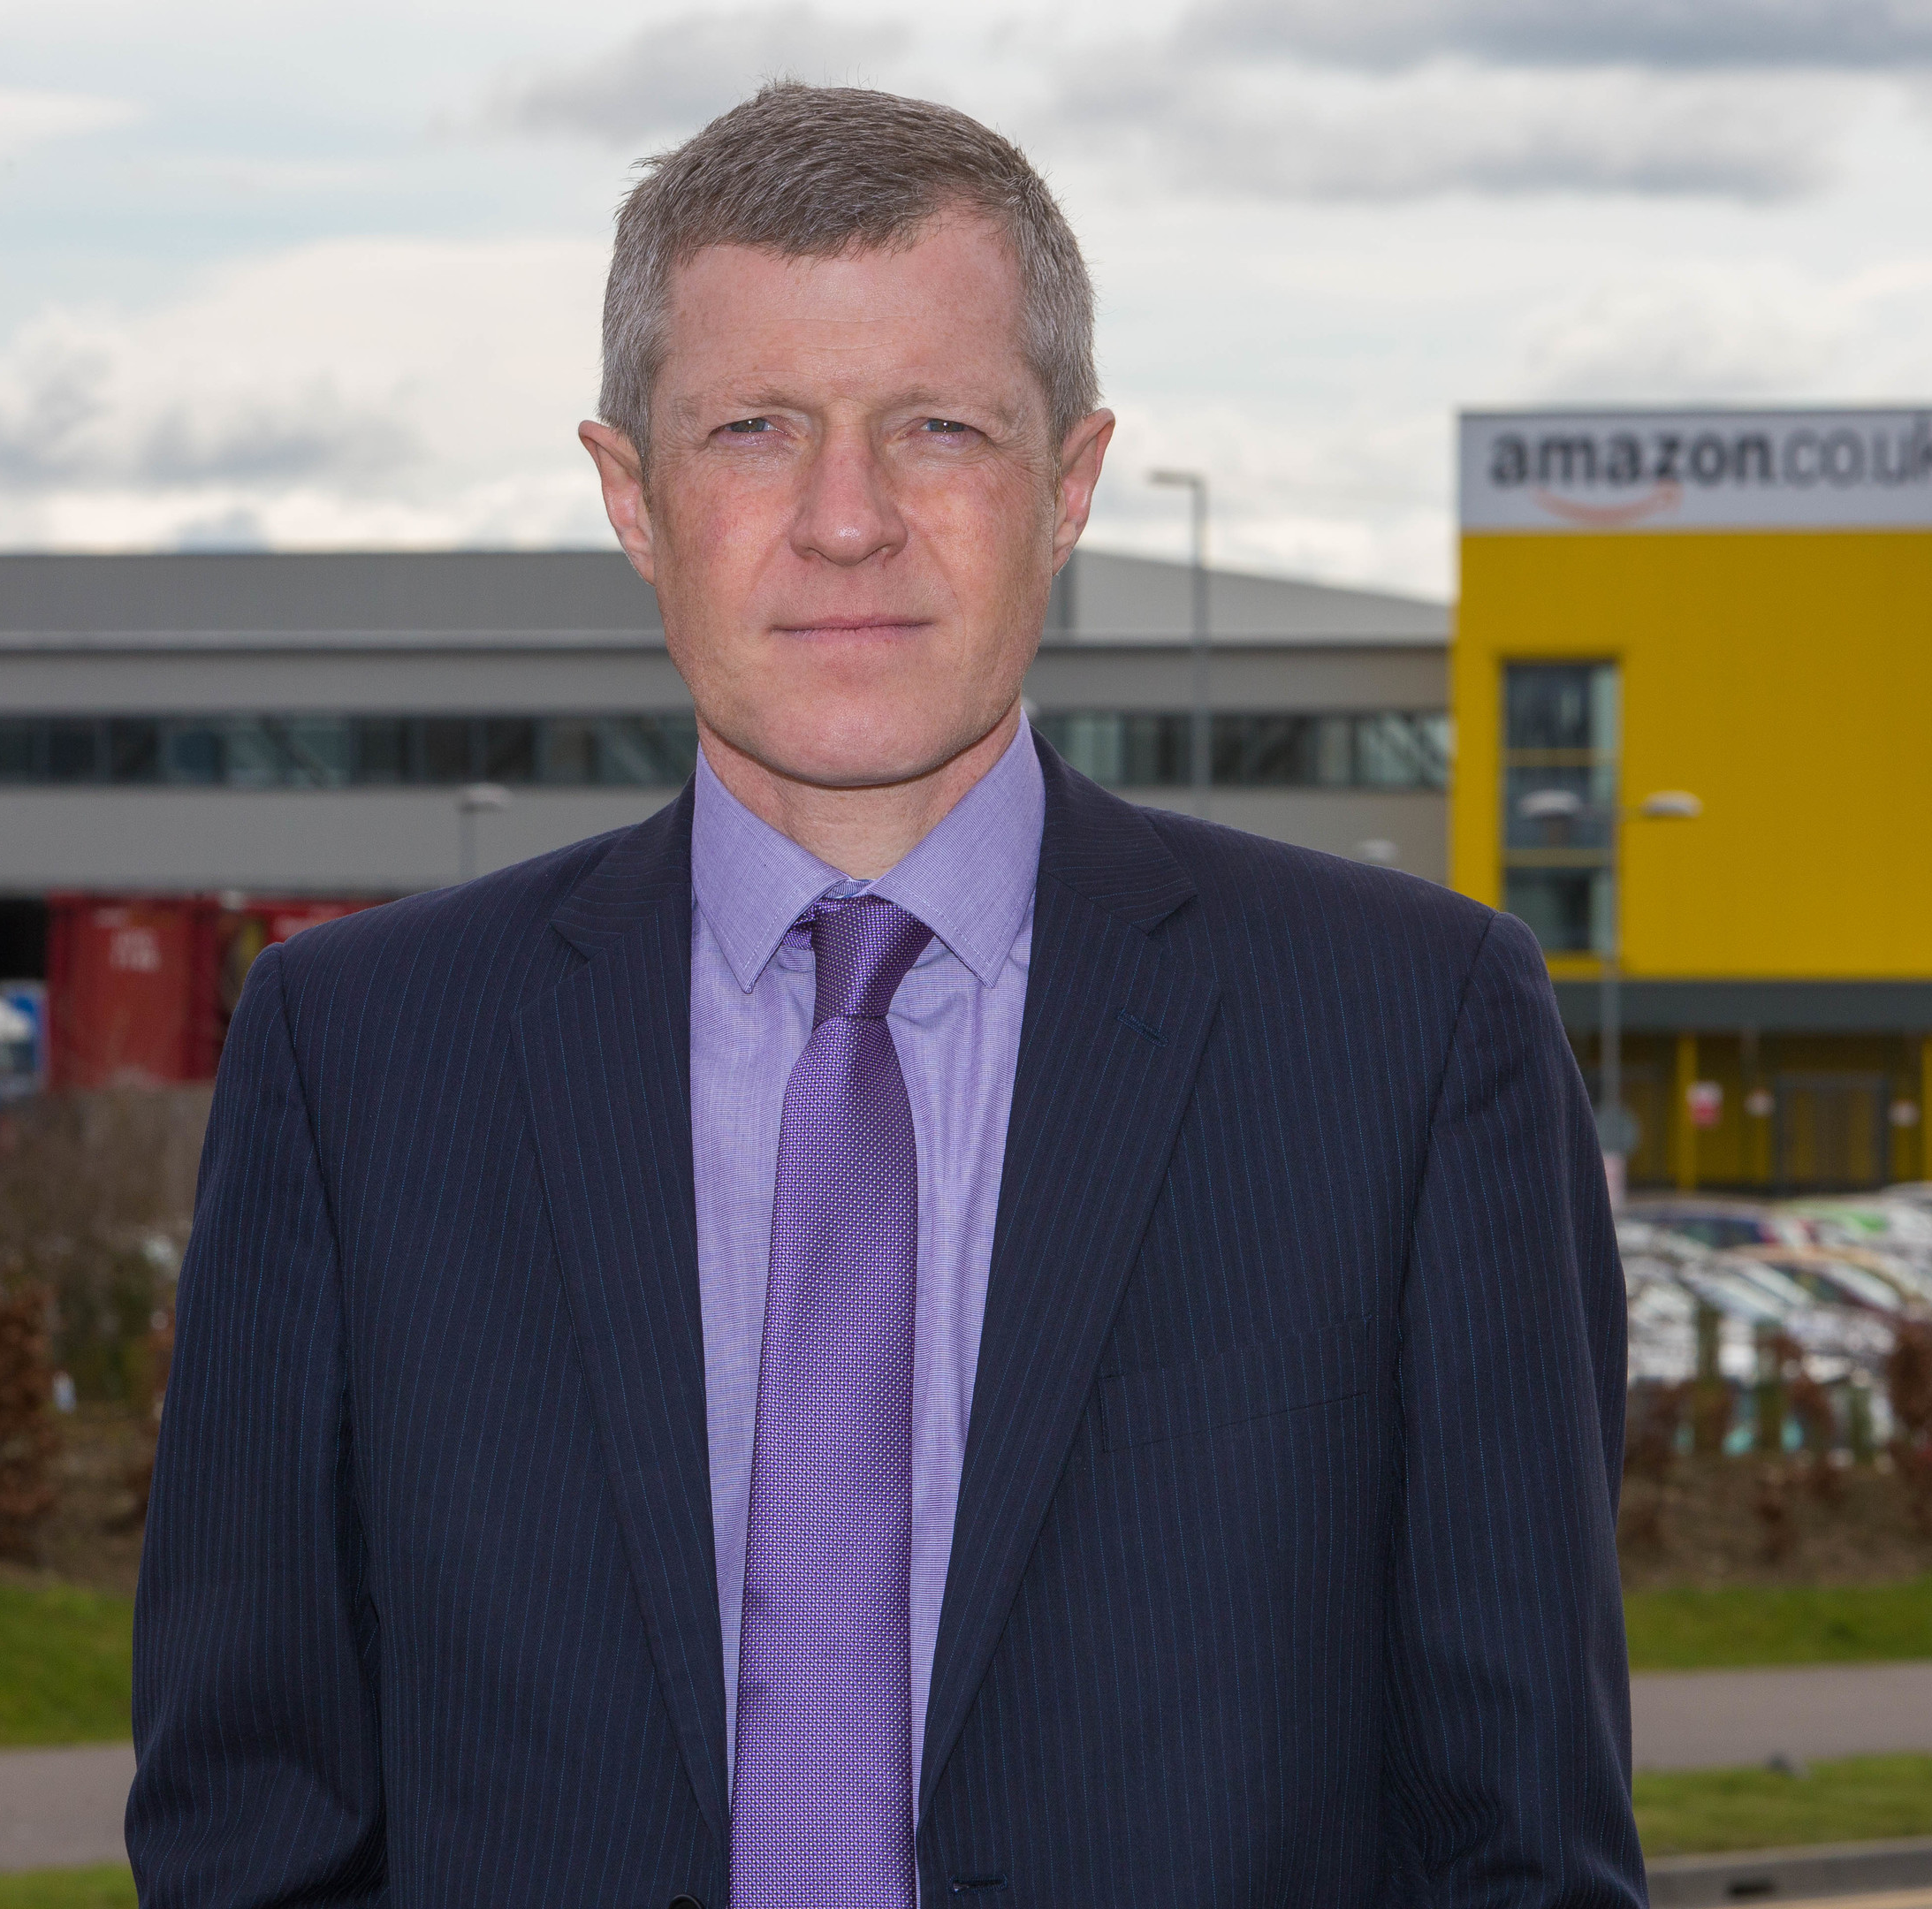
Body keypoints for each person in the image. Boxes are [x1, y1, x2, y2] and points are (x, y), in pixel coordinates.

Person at [128, 82, 1642, 1908]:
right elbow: (253, 1821)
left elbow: (1521, 1840)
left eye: (938, 429)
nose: (847, 523)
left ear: (1069, 484)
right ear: (632, 496)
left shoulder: (1410, 1036)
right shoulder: (359, 1057)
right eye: (754, 431)